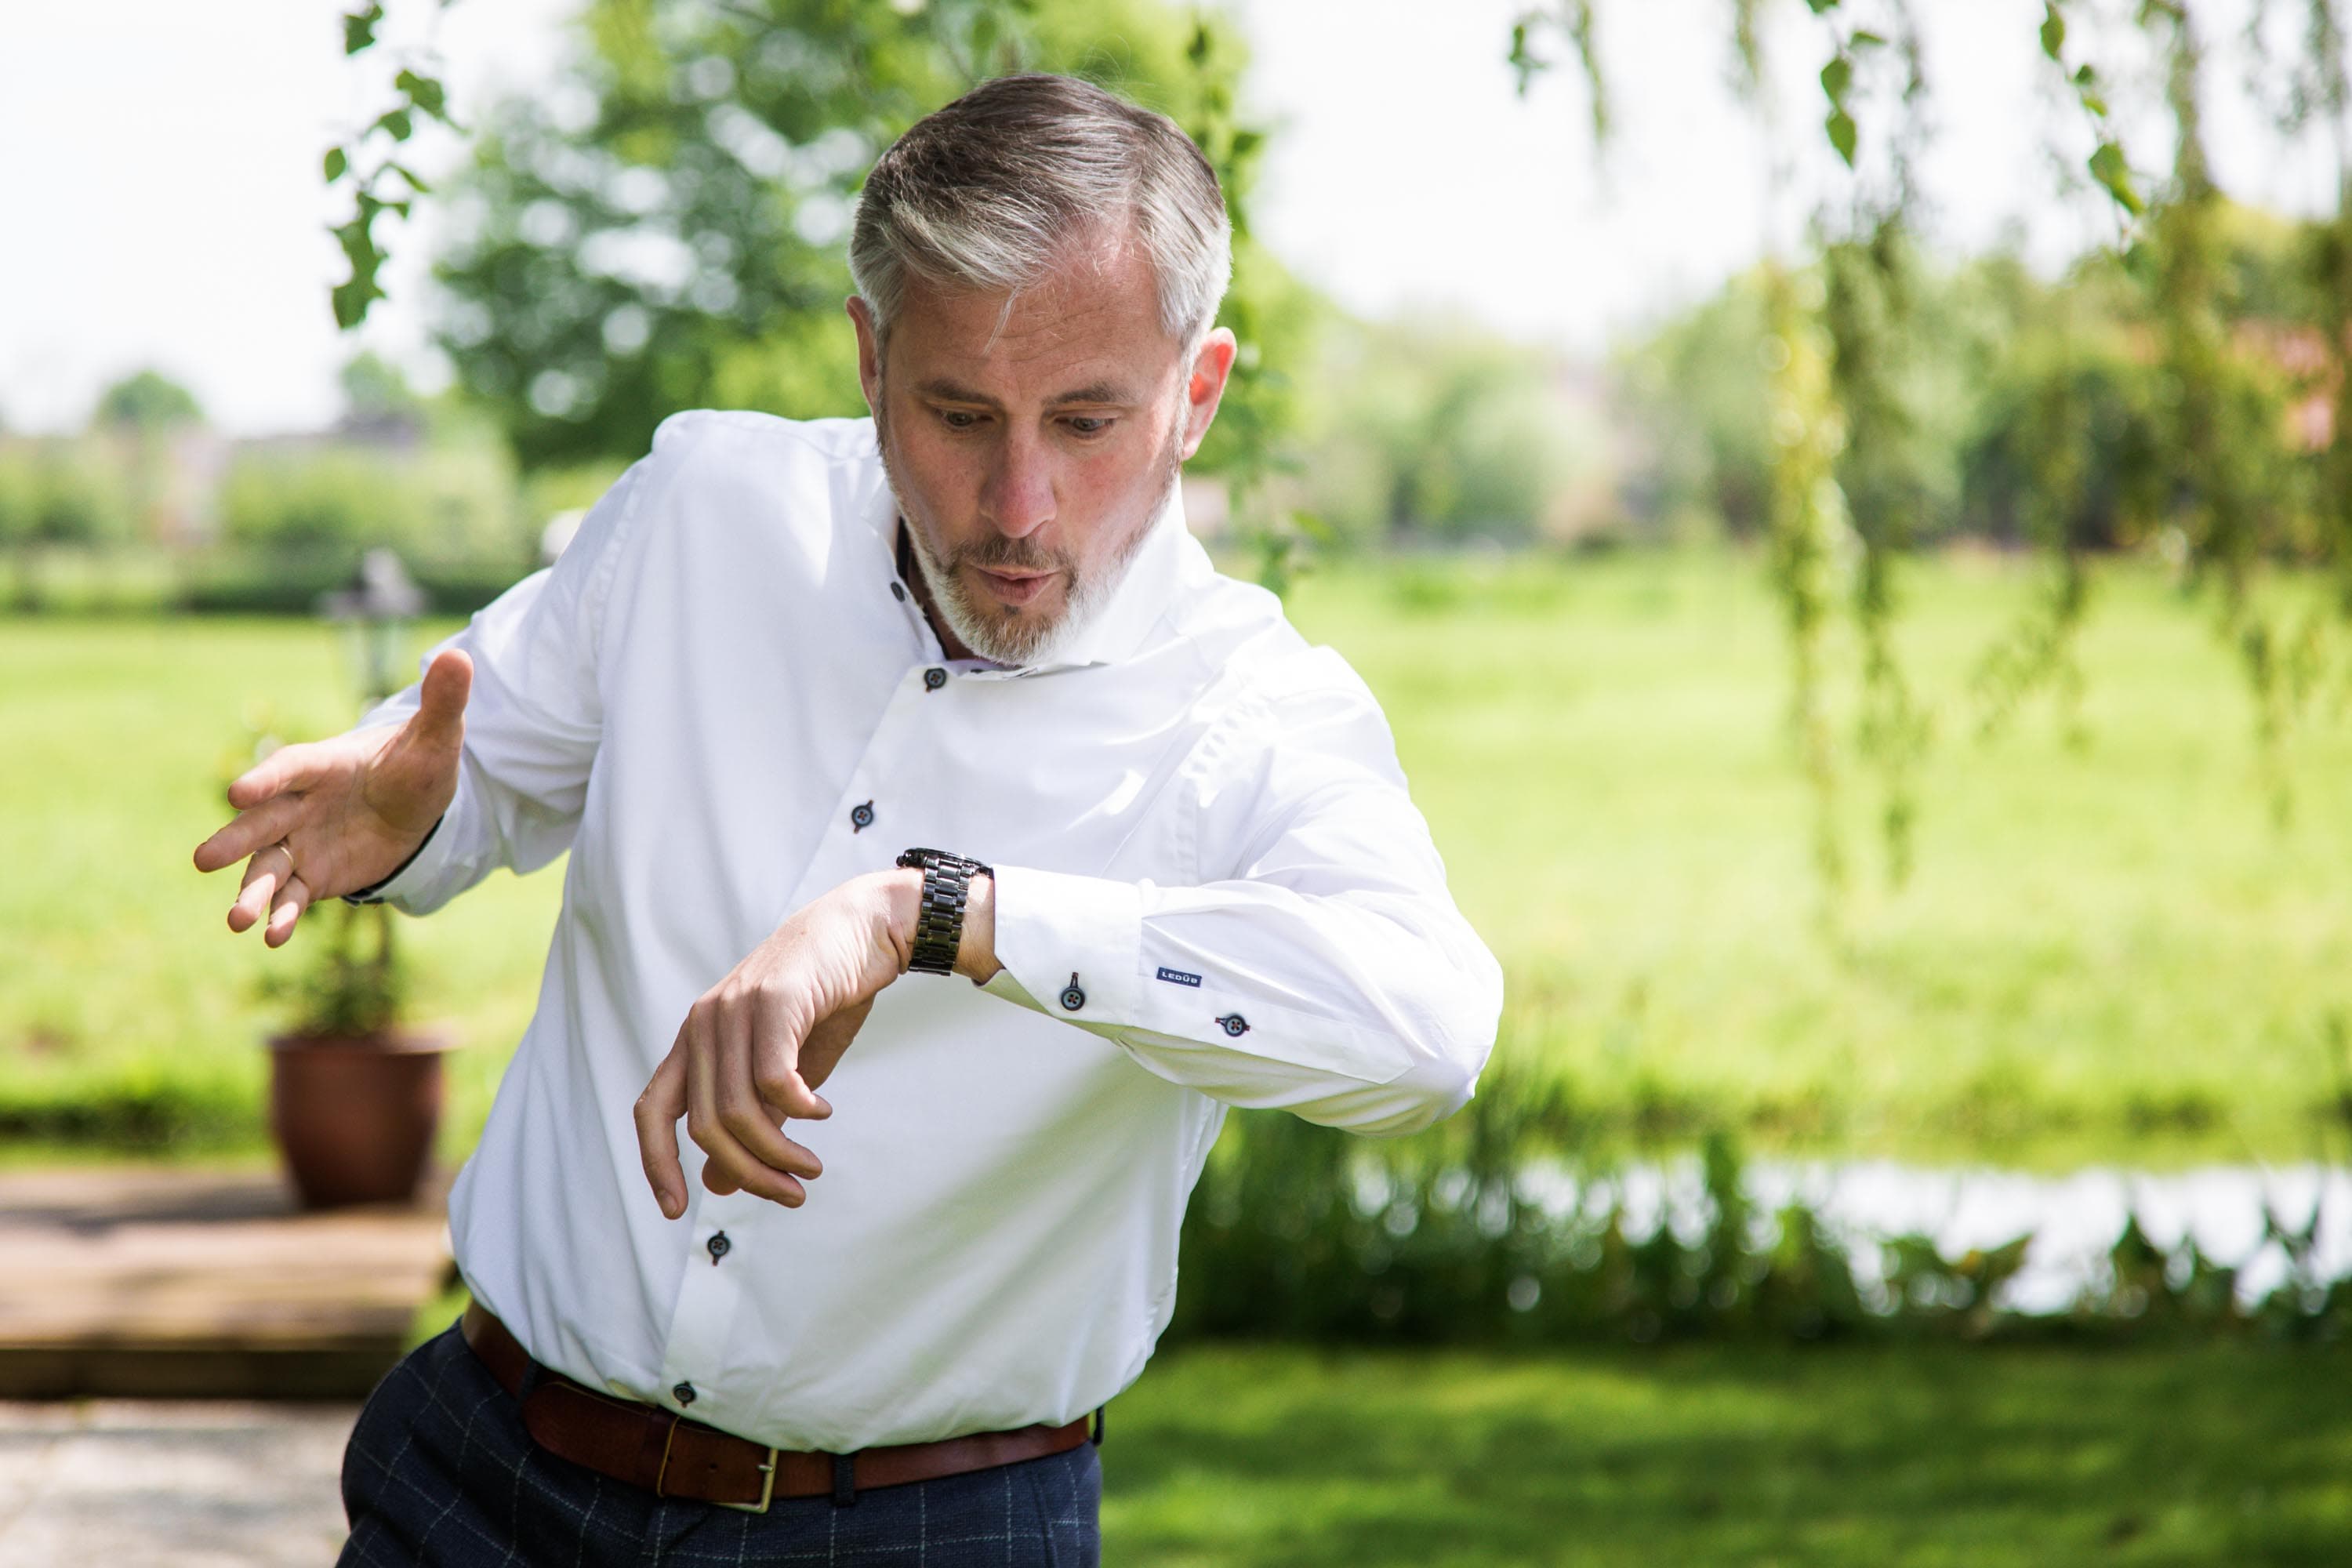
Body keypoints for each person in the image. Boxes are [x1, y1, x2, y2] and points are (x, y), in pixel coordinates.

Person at [192, 71, 1501, 1566]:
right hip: (485, 1482)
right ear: (872, 358)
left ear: (1195, 394)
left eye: (1087, 422)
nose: (1020, 504)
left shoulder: (1256, 712)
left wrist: (933, 916)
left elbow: (1426, 1026)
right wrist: (411, 812)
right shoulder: (701, 508)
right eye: (960, 414)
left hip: (925, 1531)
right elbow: (473, 765)